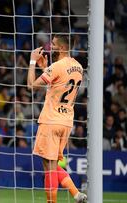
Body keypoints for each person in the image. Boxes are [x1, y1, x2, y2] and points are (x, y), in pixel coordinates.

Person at [27, 35, 87, 203]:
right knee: (52, 166)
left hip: (51, 121)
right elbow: (59, 85)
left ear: (61, 48)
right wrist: (46, 68)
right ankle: (76, 194)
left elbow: (31, 85)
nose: (49, 46)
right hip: (66, 122)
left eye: (52, 44)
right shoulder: (78, 67)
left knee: (49, 169)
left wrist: (32, 61)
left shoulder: (57, 66)